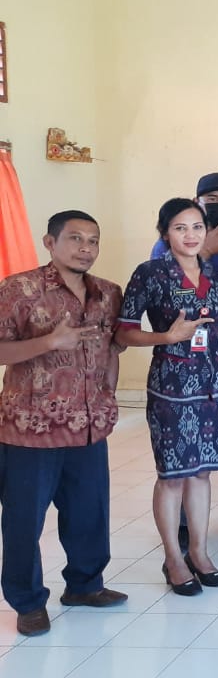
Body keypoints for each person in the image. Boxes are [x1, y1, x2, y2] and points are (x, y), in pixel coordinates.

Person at [0, 210, 128, 636]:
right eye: (75, 238)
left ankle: (85, 586)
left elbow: (112, 349)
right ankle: (27, 602)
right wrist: (49, 342)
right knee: (24, 521)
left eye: (93, 240)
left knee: (90, 512)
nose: (85, 248)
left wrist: (109, 395)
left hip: (88, 426)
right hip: (29, 431)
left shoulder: (108, 293)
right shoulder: (18, 289)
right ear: (50, 242)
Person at [118, 198, 218, 596]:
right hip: (172, 385)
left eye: (197, 227)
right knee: (173, 475)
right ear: (165, 232)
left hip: (214, 386)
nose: (190, 235)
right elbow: (124, 331)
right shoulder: (150, 273)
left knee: (202, 473)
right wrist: (166, 336)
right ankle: (173, 557)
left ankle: (199, 553)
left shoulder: (217, 275)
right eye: (180, 227)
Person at [149, 173, 218, 543]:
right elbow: (161, 292)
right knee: (188, 442)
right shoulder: (168, 245)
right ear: (196, 201)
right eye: (211, 198)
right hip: (182, 359)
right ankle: (184, 524)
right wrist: (205, 250)